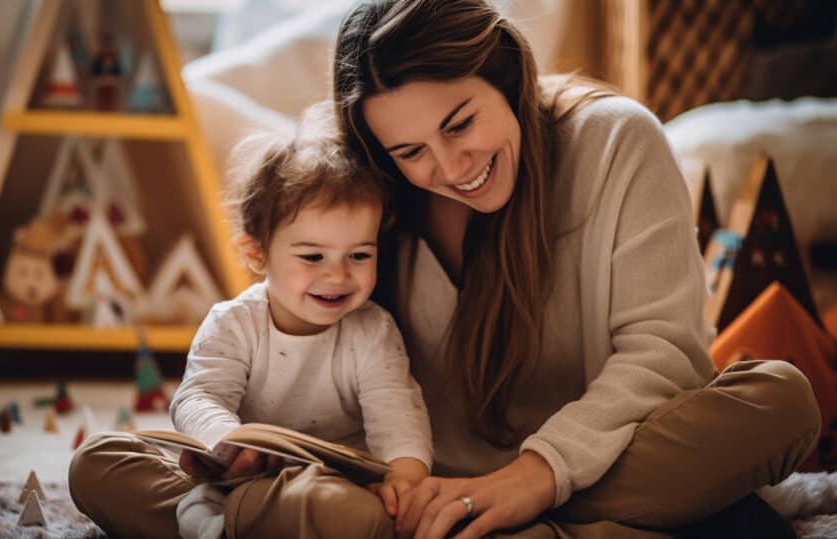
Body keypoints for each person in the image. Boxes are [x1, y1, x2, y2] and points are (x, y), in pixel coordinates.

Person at [69, 1, 821, 537]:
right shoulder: (373, 195)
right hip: (410, 487)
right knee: (103, 463)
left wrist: (533, 478)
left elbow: (661, 356)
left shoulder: (618, 143)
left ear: (506, 73)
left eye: (460, 122)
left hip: (597, 458)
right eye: (410, 151)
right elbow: (290, 314)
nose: (449, 166)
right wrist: (241, 441)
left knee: (781, 400)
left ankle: (520, 521)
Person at [173, 102, 432, 538]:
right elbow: (198, 396)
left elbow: (398, 416)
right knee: (100, 461)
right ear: (257, 254)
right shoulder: (233, 322)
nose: (337, 274)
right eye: (313, 256)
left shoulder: (373, 330)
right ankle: (241, 519)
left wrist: (405, 479)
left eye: (359, 255)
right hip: (238, 479)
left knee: (351, 513)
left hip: (330, 486)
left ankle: (238, 524)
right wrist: (226, 441)